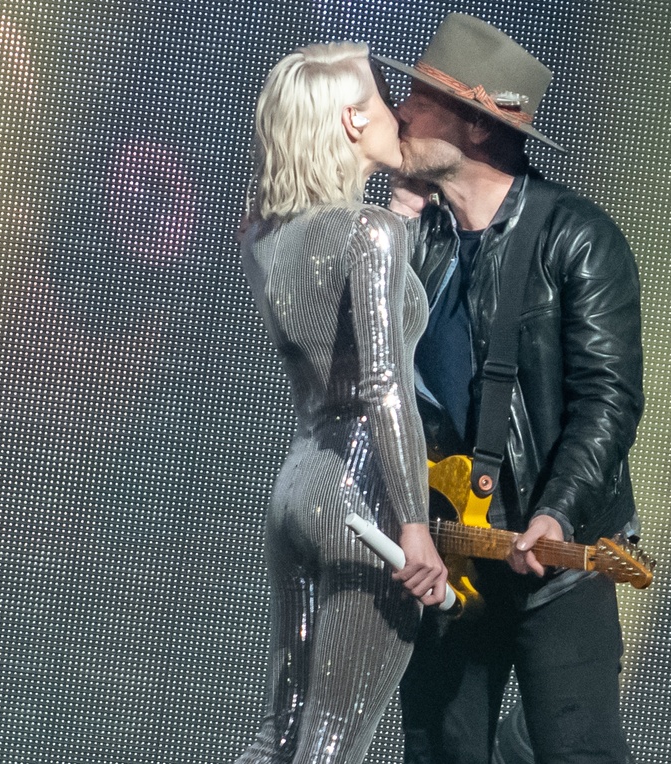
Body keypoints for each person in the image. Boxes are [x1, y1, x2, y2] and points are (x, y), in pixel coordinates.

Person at [374, 14, 645, 764]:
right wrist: (395, 220)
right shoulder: (408, 236)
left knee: (576, 746)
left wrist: (559, 512)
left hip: (555, 558)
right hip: (449, 551)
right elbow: (364, 373)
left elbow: (608, 399)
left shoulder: (576, 238)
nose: (400, 112)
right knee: (440, 746)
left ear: (476, 126)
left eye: (421, 100)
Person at [235, 42, 449, 764]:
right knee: (333, 737)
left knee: (283, 728)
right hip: (364, 493)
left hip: (300, 483)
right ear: (355, 121)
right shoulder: (368, 235)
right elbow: (382, 383)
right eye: (389, 100)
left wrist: (405, 210)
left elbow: (342, 327)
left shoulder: (270, 234)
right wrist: (413, 524)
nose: (402, 113)